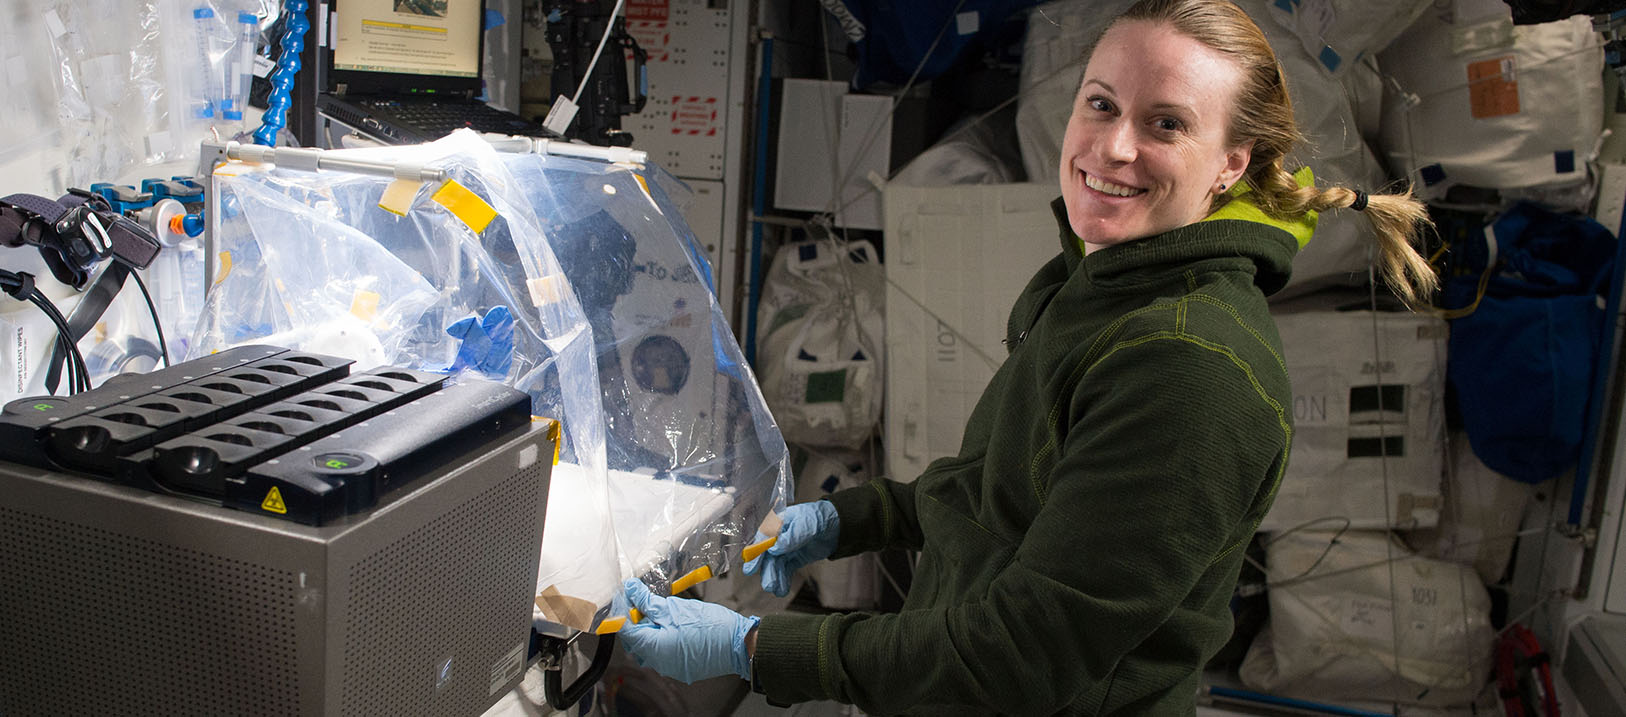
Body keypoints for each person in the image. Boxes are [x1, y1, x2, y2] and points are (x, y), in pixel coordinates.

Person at [616, 0, 1438, 713]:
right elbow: (1002, 489)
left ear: (1233, 164)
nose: (1112, 147)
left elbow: (1025, 650)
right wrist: (846, 520)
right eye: (1101, 103)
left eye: (1167, 123)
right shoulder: (1107, 279)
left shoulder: (1190, 366)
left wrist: (761, 650)